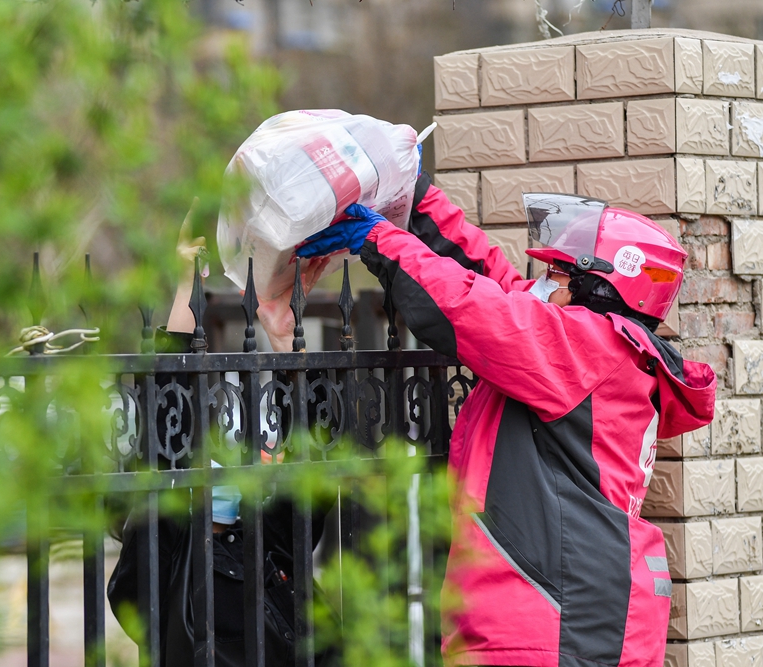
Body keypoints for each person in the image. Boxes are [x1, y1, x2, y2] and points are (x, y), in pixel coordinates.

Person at [297, 173, 716, 667]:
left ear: (598, 291)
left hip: (554, 616)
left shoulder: (588, 347)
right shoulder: (601, 350)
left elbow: (472, 307)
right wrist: (421, 198)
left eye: (558, 277)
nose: (542, 285)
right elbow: (493, 282)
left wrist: (380, 240)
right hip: (568, 610)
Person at [107, 205, 336, 667]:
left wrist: (285, 334)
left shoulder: (272, 546)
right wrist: (184, 284)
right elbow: (169, 417)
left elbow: (315, 452)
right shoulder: (167, 561)